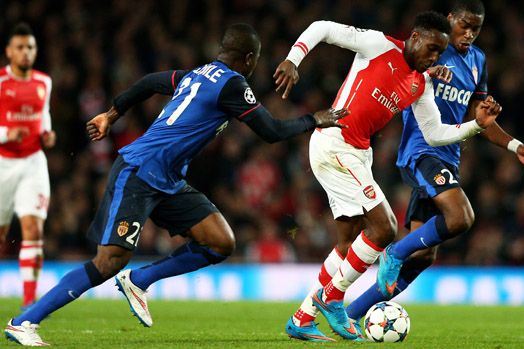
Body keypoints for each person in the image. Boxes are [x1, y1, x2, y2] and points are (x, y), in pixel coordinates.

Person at [4, 23, 348, 346]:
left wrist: (112, 114)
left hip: (168, 179)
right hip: (140, 170)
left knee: (220, 242)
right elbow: (271, 132)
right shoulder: (232, 84)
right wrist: (312, 120)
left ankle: (139, 281)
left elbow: (149, 82)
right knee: (109, 261)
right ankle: (24, 322)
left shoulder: (197, 74)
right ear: (249, 59)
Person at [274, 11, 502, 341]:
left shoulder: (420, 83)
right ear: (415, 38)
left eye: (440, 53)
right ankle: (332, 297)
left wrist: (476, 125)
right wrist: (294, 59)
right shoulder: (378, 45)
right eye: (432, 50)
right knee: (384, 228)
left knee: (347, 244)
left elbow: (435, 133)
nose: (436, 58)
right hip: (334, 142)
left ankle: (302, 318)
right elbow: (322, 27)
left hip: (358, 153)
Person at [345, 0, 524, 322]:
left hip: (448, 157)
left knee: (423, 254)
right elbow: (401, 68)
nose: (468, 34)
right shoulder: (432, 51)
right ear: (450, 19)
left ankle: (353, 313)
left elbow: (479, 120)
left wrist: (514, 146)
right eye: (464, 25)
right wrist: (424, 70)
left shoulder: (478, 61)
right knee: (461, 217)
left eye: (475, 29)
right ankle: (393, 253)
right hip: (421, 152)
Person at [0, 22, 56, 309]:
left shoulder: (43, 82)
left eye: (30, 48)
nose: (25, 53)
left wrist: (47, 132)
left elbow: (42, 114)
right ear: (9, 51)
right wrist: (5, 134)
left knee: (33, 230)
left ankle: (29, 302)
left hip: (33, 162)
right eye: (20, 48)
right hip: (2, 164)